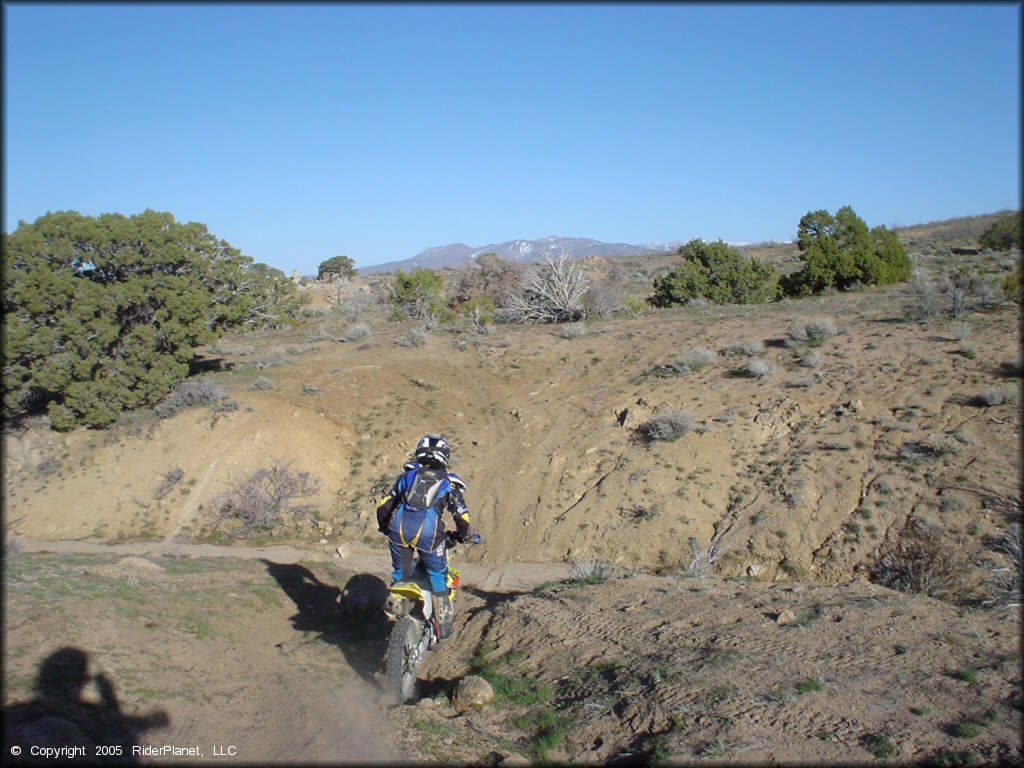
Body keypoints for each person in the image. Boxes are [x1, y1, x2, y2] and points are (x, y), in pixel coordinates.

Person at [376, 434, 471, 639]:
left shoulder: (407, 476)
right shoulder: (447, 483)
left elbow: (384, 506)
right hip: (430, 536)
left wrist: (385, 527)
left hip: (398, 531)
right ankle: (443, 623)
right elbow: (462, 516)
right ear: (445, 456)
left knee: (401, 571)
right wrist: (463, 536)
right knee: (438, 575)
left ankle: (396, 603)